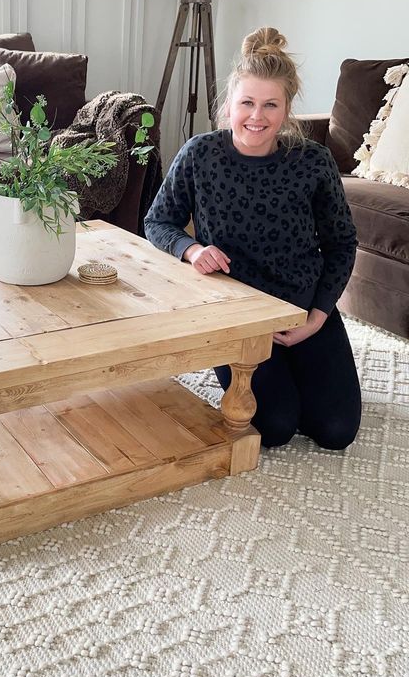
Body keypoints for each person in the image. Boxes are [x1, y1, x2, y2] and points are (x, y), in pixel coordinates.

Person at [144, 27, 361, 450]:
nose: (256, 116)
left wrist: (318, 315)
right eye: (247, 102)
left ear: (286, 110)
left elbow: (341, 243)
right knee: (275, 428)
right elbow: (158, 221)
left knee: (336, 431)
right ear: (229, 104)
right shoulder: (199, 153)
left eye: (270, 105)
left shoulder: (313, 161)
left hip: (303, 308)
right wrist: (191, 249)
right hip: (237, 314)